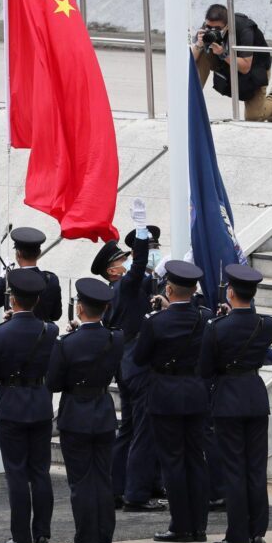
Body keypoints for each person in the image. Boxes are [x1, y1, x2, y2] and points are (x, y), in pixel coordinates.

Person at [133, 261, 212, 543]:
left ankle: (181, 525)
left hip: (165, 395)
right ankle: (199, 525)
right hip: (195, 392)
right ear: (194, 291)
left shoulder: (156, 322)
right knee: (195, 459)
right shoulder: (204, 318)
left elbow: (139, 358)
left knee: (172, 461)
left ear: (169, 289)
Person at [0, 268, 58, 543]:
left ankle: (21, 536)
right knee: (40, 471)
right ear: (37, 300)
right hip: (39, 401)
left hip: (11, 403)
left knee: (16, 473)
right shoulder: (50, 331)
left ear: (12, 300)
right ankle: (42, 534)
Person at [199, 264, 272, 543]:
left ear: (230, 292)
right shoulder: (266, 324)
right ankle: (257, 532)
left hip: (228, 399)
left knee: (234, 468)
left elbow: (205, 368)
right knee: (256, 468)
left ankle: (237, 533)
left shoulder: (217, 327)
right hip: (255, 397)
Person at [47, 277, 123, 543]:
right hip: (102, 412)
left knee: (80, 482)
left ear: (80, 308)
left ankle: (85, 541)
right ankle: (103, 540)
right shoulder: (116, 339)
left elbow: (53, 382)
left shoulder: (67, 343)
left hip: (76, 414)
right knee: (102, 478)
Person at [112, 199, 165, 513]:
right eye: (149, 248)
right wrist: (141, 231)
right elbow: (139, 271)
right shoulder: (129, 283)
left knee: (131, 429)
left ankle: (119, 486)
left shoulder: (144, 284)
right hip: (137, 365)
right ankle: (135, 494)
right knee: (142, 430)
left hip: (130, 363)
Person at [191, 4, 272, 123]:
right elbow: (190, 61)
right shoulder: (206, 29)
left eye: (217, 29)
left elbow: (245, 67)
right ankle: (189, 101)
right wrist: (199, 44)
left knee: (254, 117)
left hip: (255, 69)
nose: (211, 31)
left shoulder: (244, 29)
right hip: (226, 63)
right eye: (208, 27)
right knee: (200, 55)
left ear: (227, 26)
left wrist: (223, 54)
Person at [0, 227, 62, 322]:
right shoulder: (52, 279)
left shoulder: (11, 280)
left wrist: (3, 277)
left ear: (18, 254)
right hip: (44, 334)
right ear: (38, 253)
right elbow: (56, 315)